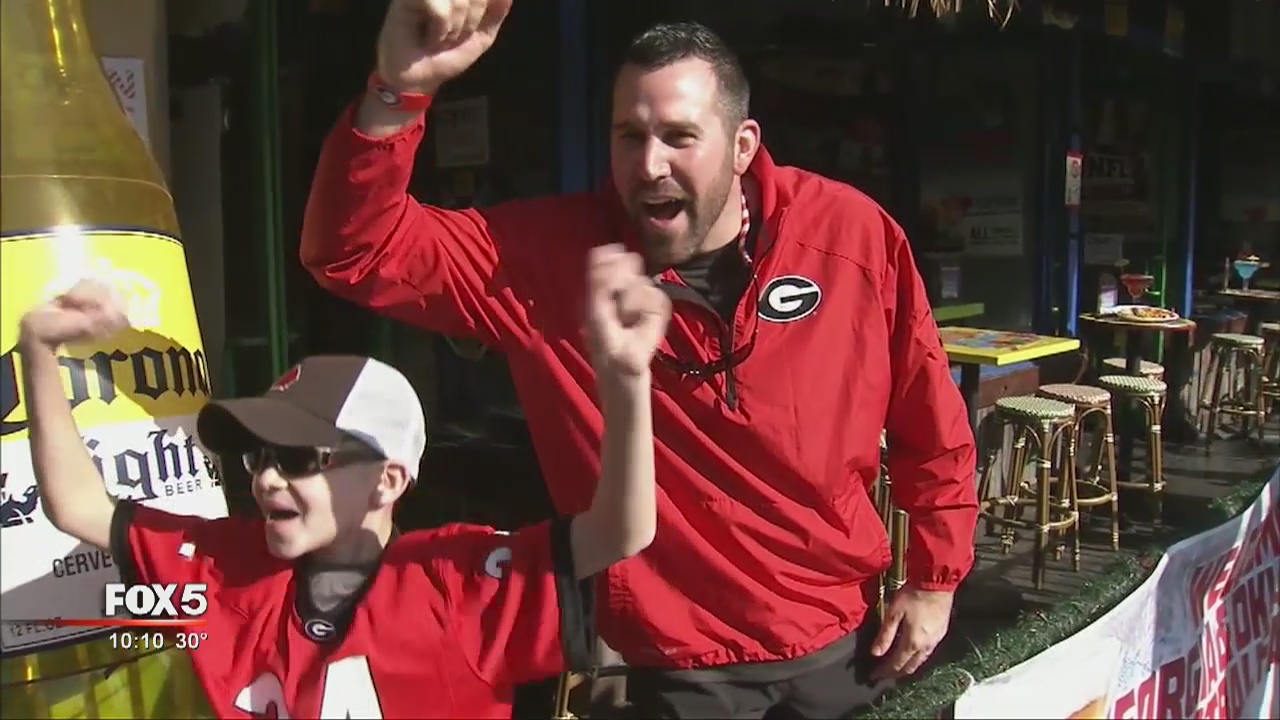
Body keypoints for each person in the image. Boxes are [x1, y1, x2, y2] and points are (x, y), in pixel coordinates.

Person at [301, 0, 980, 716]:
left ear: (744, 145)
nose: (649, 165)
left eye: (679, 136)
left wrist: (935, 578)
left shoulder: (851, 237)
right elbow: (354, 252)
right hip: (671, 669)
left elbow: (929, 418)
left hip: (842, 647)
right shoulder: (549, 263)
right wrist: (397, 92)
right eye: (629, 136)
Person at [17, 246, 669, 719]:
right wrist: (39, 351)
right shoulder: (226, 566)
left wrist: (627, 381)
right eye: (260, 455)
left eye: (300, 458)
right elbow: (78, 504)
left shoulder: (455, 578)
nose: (268, 477)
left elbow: (622, 529)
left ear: (387, 481)